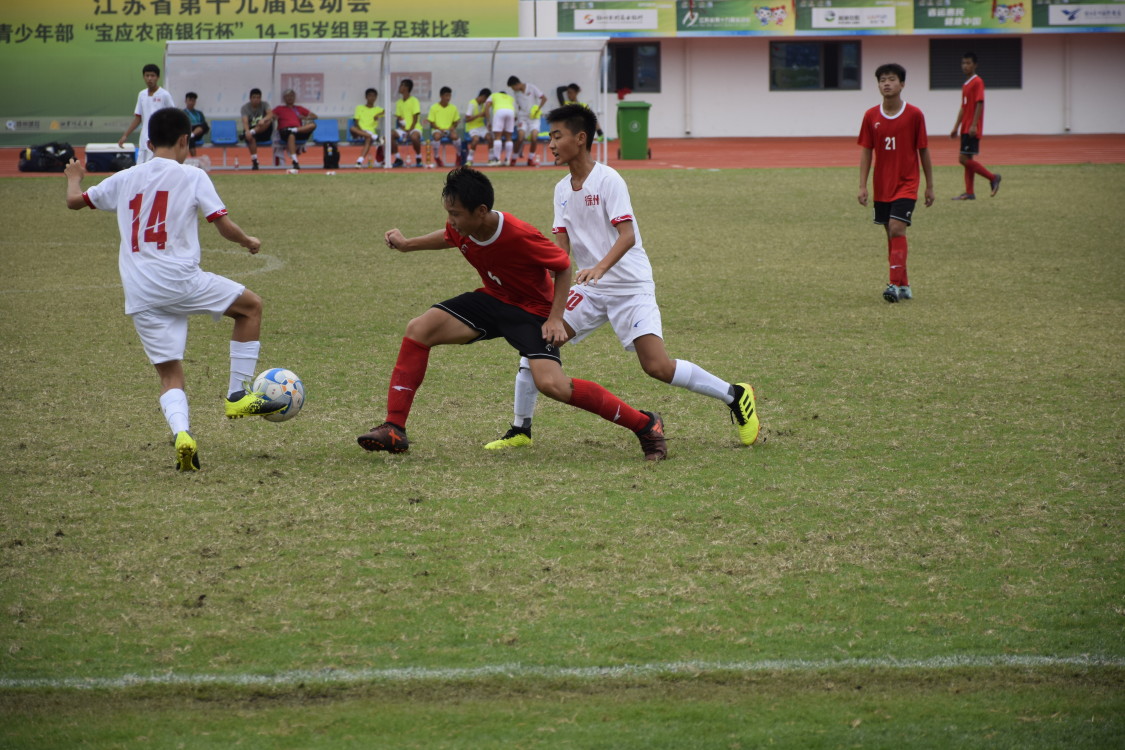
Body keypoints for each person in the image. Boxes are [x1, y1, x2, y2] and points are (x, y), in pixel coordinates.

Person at [484, 104, 760, 452]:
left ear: (580, 138)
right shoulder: (561, 190)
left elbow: (626, 236)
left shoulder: (609, 179)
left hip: (630, 286)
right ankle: (520, 429)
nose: (550, 144)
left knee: (657, 366)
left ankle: (735, 395)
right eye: (550, 136)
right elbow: (560, 249)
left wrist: (599, 267)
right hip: (589, 289)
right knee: (537, 343)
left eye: (557, 136)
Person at [357, 167, 668, 462]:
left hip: (532, 313)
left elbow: (562, 265)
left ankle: (645, 424)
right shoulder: (463, 228)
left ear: (481, 211)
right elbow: (449, 237)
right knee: (419, 329)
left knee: (552, 385)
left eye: (456, 214)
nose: (451, 221)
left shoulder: (518, 234)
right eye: (448, 213)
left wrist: (555, 318)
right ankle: (394, 428)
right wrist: (407, 245)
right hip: (493, 301)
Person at [64, 107, 285, 472]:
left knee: (170, 375)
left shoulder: (124, 177)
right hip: (179, 280)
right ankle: (236, 395)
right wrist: (248, 241)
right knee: (251, 308)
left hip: (139, 291)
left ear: (148, 143)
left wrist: (74, 177)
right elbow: (222, 223)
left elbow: (75, 201)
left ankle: (183, 434)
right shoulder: (192, 175)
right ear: (186, 140)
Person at [857, 63, 935, 303]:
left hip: (907, 183)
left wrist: (929, 185)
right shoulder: (871, 115)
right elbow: (867, 152)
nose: (886, 83)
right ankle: (904, 284)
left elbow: (923, 150)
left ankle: (892, 285)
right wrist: (862, 185)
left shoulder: (914, 115)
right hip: (883, 185)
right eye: (882, 80)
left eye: (891, 79)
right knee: (890, 235)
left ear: (902, 84)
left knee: (896, 228)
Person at [950, 52, 1001, 200]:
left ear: (975, 65)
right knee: (967, 159)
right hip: (965, 127)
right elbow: (963, 107)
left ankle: (993, 177)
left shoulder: (977, 81)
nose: (965, 66)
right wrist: (956, 127)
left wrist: (974, 125)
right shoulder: (966, 84)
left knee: (963, 159)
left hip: (971, 128)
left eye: (968, 63)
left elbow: (980, 102)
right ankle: (970, 192)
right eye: (963, 63)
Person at [118, 63, 176, 165]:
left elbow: (173, 116)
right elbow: (138, 117)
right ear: (143, 77)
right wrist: (125, 135)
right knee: (140, 166)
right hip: (144, 138)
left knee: (154, 166)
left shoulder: (164, 95)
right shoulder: (142, 95)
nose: (149, 78)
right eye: (147, 75)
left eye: (152, 76)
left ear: (157, 77)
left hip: (158, 138)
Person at [273, 89, 317, 171]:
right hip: (285, 131)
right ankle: (295, 161)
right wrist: (272, 118)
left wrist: (306, 117)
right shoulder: (279, 109)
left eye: (292, 96)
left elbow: (314, 116)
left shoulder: (299, 108)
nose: (290, 98)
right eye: (288, 96)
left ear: (294, 97)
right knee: (291, 135)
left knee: (313, 125)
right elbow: (271, 116)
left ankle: (295, 129)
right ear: (284, 98)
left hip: (299, 130)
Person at [509, 75, 547, 166]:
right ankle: (513, 159)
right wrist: (516, 116)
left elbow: (544, 98)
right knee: (520, 138)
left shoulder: (532, 87)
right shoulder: (516, 93)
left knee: (534, 138)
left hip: (533, 118)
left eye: (513, 87)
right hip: (522, 118)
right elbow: (518, 105)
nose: (513, 89)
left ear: (517, 84)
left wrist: (538, 109)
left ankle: (530, 159)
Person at [425, 86, 461, 168]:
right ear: (441, 96)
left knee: (455, 137)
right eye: (446, 95)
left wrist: (452, 127)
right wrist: (439, 129)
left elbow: (456, 121)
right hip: (438, 130)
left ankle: (459, 155)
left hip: (449, 130)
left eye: (449, 96)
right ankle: (437, 157)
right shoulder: (434, 107)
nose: (448, 98)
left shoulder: (453, 108)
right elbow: (431, 123)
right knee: (436, 136)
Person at [240, 88, 275, 171]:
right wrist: (247, 131)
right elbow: (245, 121)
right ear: (250, 98)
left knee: (268, 121)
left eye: (258, 97)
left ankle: (252, 132)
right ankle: (255, 160)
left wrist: (263, 119)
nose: (256, 99)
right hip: (251, 132)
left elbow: (270, 114)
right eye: (254, 97)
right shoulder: (245, 108)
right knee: (250, 136)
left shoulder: (265, 104)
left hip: (264, 131)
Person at [392, 78, 423, 168]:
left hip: (414, 128)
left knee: (414, 137)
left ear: (406, 87)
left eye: (401, 85)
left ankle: (418, 157)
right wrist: (402, 126)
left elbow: (415, 118)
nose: (399, 87)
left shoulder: (414, 101)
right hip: (404, 129)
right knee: (390, 135)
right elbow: (399, 118)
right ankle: (398, 158)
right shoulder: (399, 102)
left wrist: (410, 130)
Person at [481, 87, 516, 167]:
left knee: (497, 137)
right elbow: (515, 111)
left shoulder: (494, 95)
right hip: (511, 112)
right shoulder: (510, 98)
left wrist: (488, 121)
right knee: (509, 137)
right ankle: (507, 160)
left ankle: (497, 159)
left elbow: (487, 106)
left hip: (499, 111)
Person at [351, 87, 385, 168]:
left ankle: (359, 161)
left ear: (376, 97)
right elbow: (356, 122)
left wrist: (378, 115)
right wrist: (362, 131)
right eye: (370, 96)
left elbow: (386, 111)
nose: (372, 98)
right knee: (352, 128)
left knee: (368, 138)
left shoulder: (378, 109)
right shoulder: (359, 107)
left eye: (374, 96)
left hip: (370, 133)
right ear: (366, 97)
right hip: (359, 132)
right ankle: (375, 137)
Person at [461, 88, 492, 167]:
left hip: (481, 127)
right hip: (472, 127)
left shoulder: (484, 105)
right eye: (486, 99)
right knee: (476, 139)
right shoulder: (472, 103)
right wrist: (479, 115)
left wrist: (488, 121)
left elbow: (486, 114)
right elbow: (467, 119)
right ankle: (469, 159)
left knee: (490, 138)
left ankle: (491, 159)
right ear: (483, 96)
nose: (486, 101)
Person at [183, 92, 209, 157]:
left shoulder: (199, 113)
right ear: (186, 101)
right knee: (189, 138)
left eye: (193, 101)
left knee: (204, 125)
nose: (192, 102)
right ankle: (194, 158)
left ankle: (192, 134)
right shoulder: (182, 113)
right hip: (188, 130)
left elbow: (204, 125)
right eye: (190, 100)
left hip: (198, 132)